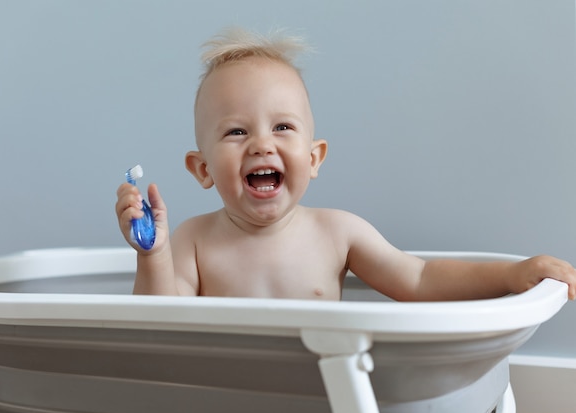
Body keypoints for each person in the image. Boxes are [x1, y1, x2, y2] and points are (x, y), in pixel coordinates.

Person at [115, 27, 576, 301]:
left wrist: (514, 275)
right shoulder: (193, 242)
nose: (261, 145)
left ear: (313, 158)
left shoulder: (337, 233)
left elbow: (418, 278)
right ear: (202, 170)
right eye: (237, 132)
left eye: (282, 128)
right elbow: (159, 324)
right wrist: (153, 256)